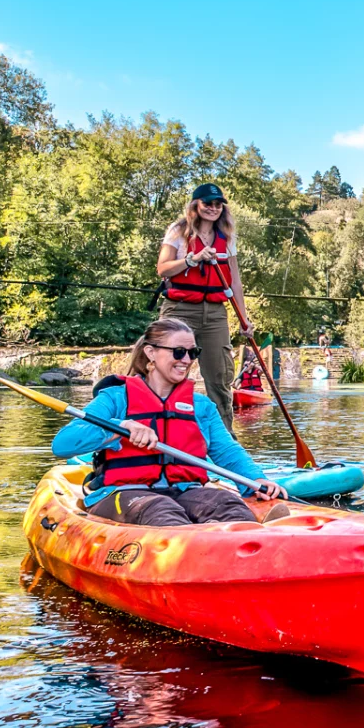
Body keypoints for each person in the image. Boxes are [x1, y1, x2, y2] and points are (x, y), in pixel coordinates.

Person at [51, 317, 288, 526]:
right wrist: (119, 427)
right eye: (178, 352)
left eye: (193, 353)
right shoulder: (115, 398)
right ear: (150, 352)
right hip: (125, 493)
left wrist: (255, 479)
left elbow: (227, 451)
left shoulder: (201, 406)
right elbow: (63, 444)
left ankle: (229, 546)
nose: (186, 360)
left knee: (229, 506)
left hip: (185, 491)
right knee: (161, 510)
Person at [155, 183, 254, 426]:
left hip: (215, 314)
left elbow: (235, 282)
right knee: (168, 371)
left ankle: (224, 438)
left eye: (218, 204)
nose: (213, 208)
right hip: (179, 310)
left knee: (220, 378)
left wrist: (244, 319)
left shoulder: (227, 236)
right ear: (195, 205)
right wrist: (192, 260)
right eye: (207, 203)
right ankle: (161, 430)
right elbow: (163, 268)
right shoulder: (178, 231)